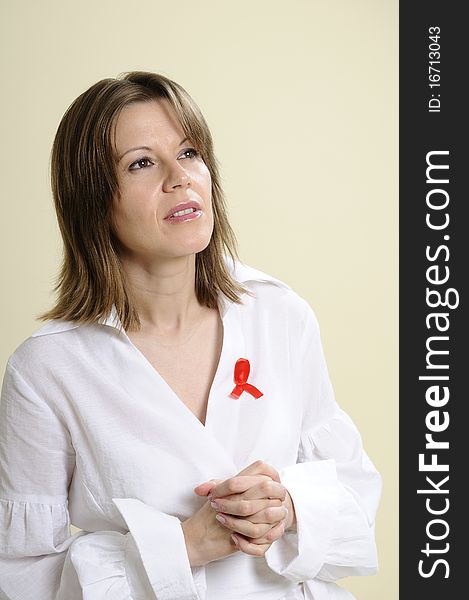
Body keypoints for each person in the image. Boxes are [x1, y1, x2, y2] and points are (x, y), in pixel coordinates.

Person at [0, 71, 382, 600]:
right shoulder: (46, 370)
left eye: (189, 152)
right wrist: (181, 546)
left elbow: (354, 496)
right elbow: (20, 576)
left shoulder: (280, 314)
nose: (179, 178)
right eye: (140, 163)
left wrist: (289, 507)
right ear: (92, 199)